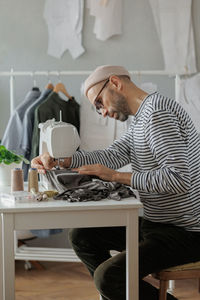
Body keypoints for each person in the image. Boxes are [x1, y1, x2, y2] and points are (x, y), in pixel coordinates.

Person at [31, 65, 200, 300]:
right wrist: (61, 160)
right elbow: (109, 156)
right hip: (158, 225)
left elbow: (178, 179)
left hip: (186, 233)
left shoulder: (158, 113)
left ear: (115, 83)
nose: (102, 112)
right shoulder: (143, 116)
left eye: (99, 102)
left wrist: (116, 176)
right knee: (81, 236)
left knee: (108, 277)